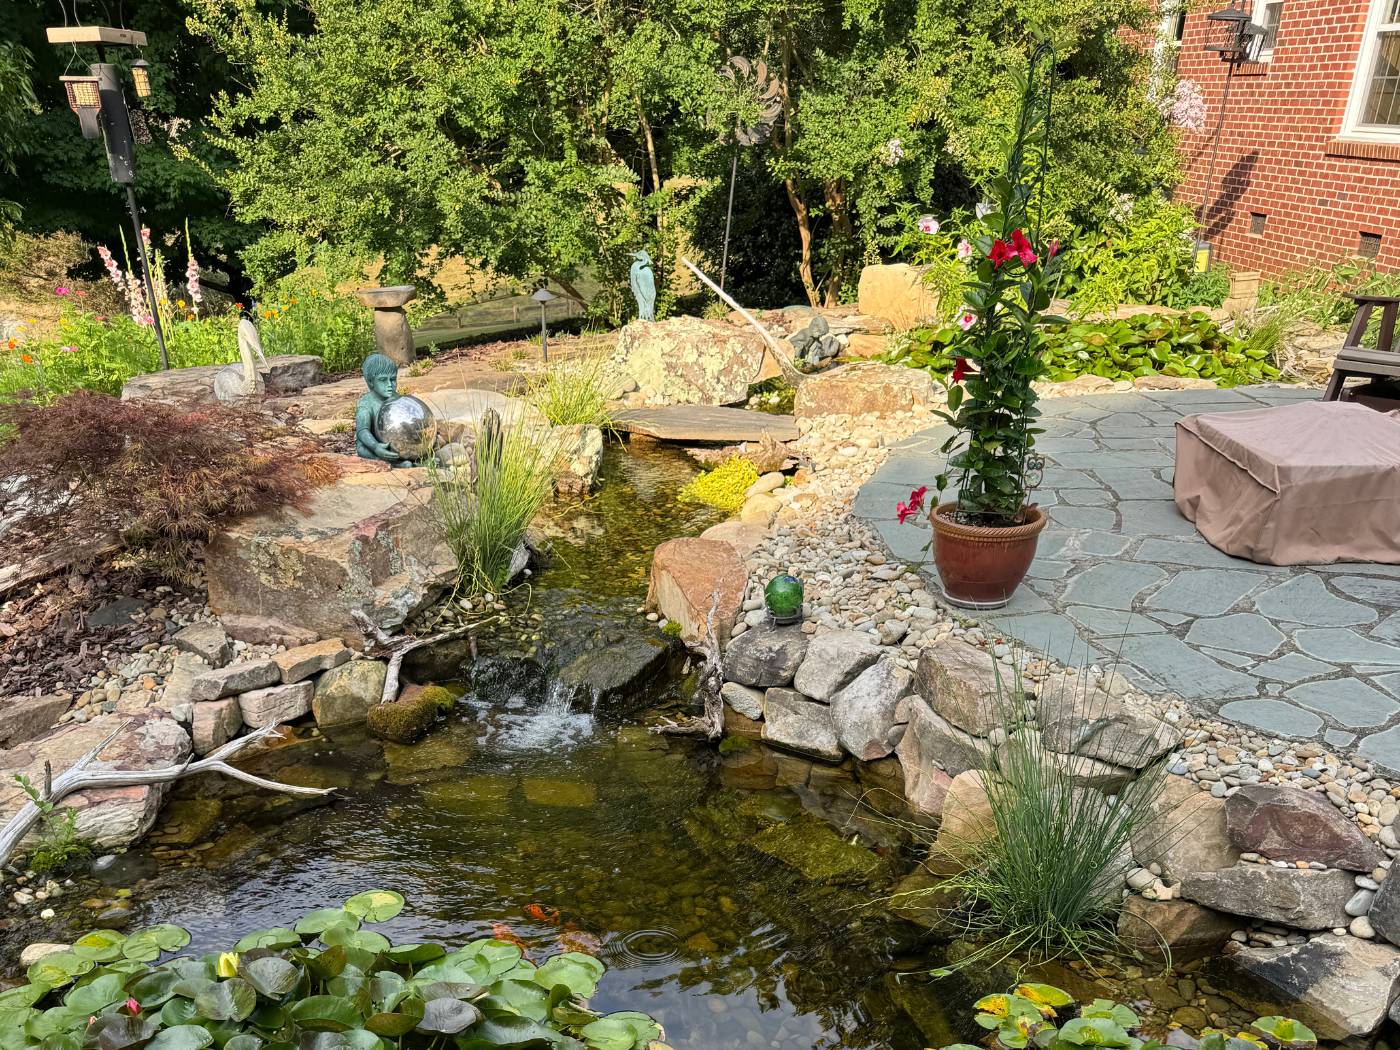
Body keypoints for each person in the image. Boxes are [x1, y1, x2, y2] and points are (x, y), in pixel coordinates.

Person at [355, 353, 406, 464]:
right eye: (383, 380)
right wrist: (375, 446)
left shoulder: (397, 399)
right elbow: (362, 431)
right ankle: (392, 464)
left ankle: (413, 459)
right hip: (374, 443)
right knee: (362, 449)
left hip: (395, 441)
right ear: (370, 382)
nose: (389, 385)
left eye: (393, 379)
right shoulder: (366, 403)